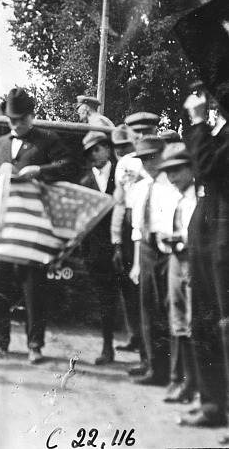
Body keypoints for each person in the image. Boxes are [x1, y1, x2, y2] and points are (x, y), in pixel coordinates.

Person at [0, 87, 78, 364]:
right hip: (2, 226)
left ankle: (35, 346)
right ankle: (0, 342)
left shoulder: (47, 140)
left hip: (32, 227)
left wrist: (41, 171)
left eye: (21, 119)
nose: (16, 125)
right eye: (11, 119)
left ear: (32, 116)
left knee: (34, 287)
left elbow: (69, 165)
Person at [177, 87, 229, 427]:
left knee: (224, 319)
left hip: (224, 222)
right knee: (205, 317)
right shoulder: (220, 128)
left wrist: (196, 121)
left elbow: (208, 166)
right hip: (210, 218)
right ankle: (213, 404)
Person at [128, 136, 179, 386]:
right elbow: (137, 229)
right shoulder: (141, 188)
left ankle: (169, 370)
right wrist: (138, 263)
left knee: (167, 309)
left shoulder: (172, 185)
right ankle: (151, 363)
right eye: (143, 159)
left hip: (169, 252)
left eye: (152, 157)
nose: (148, 164)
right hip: (147, 252)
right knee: (147, 308)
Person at [156, 145, 198, 405]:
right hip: (175, 260)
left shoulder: (200, 197)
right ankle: (182, 381)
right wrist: (166, 240)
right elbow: (164, 227)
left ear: (191, 169)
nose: (172, 178)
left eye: (177, 171)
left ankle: (197, 386)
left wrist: (181, 238)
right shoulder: (173, 197)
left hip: (194, 262)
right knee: (178, 321)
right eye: (168, 172)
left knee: (196, 323)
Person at [79, 131, 121, 365]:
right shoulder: (85, 181)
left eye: (96, 149)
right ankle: (107, 348)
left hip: (122, 246)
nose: (93, 155)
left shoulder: (121, 173)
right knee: (104, 300)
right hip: (96, 251)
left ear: (106, 148)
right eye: (89, 152)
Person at [109, 125, 145, 358]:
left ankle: (144, 342)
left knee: (141, 288)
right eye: (118, 148)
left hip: (140, 221)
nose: (123, 152)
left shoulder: (139, 163)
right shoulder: (120, 166)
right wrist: (116, 240)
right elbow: (119, 201)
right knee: (128, 288)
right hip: (126, 222)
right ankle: (136, 336)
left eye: (126, 147)